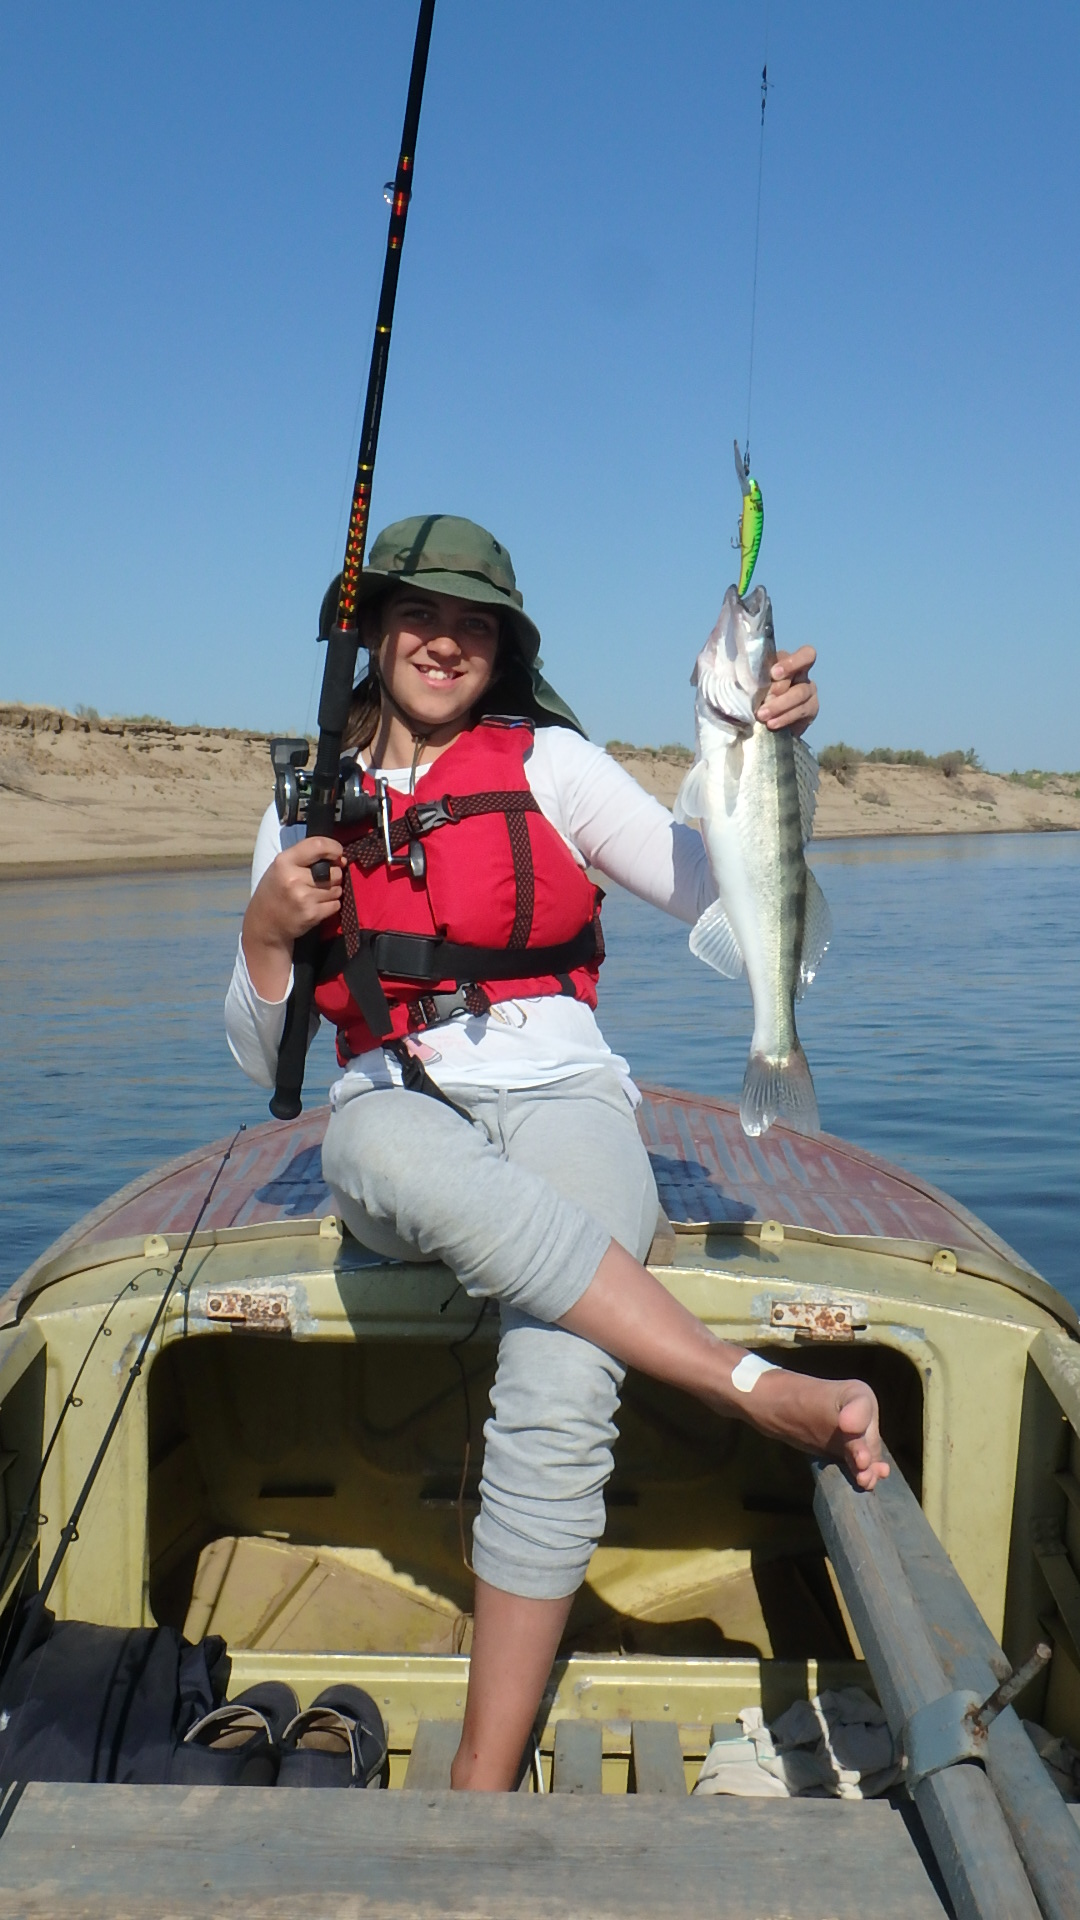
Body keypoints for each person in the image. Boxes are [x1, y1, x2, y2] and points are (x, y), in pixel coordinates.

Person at [225, 514, 886, 1792]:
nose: (443, 641)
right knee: (400, 1155)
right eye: (419, 614)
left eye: (473, 623)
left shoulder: (555, 764)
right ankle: (753, 1387)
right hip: (390, 1106)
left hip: (568, 1092)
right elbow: (264, 1065)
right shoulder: (302, 803)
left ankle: (479, 1779)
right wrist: (264, 933)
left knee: (566, 1364)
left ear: (505, 649)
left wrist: (771, 753)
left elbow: (720, 888)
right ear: (373, 634)